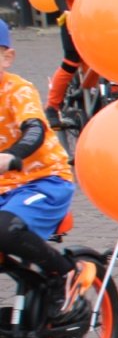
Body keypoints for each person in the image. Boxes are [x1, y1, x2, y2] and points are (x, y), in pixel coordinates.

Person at [0, 20, 91, 314]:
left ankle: (66, 271)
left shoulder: (17, 90)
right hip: (4, 189)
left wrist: (12, 155)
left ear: (7, 57)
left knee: (5, 229)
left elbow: (34, 129)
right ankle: (28, 290)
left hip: (43, 181)